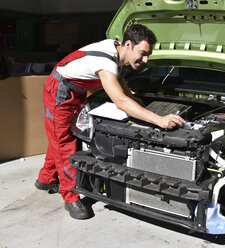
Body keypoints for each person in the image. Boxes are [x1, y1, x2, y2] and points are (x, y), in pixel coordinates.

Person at [34, 24, 185, 219]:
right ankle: (70, 196)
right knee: (65, 142)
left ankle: (45, 178)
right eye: (143, 53)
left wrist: (135, 100)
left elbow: (120, 79)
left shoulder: (117, 49)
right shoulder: (106, 63)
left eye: (148, 55)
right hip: (61, 91)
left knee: (58, 135)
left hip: (75, 90)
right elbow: (120, 101)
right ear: (128, 44)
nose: (146, 59)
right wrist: (159, 120)